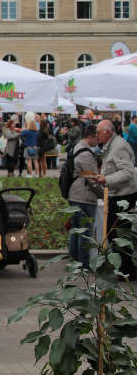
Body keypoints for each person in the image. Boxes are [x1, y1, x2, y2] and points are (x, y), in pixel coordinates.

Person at [95, 119, 137, 278]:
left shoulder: (118, 146)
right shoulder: (113, 144)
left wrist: (106, 179)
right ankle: (125, 268)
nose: (97, 135)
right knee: (115, 234)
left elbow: (127, 172)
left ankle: (126, 270)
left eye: (99, 132)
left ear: (108, 131)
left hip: (124, 195)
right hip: (118, 194)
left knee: (119, 234)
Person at [67, 125, 99, 268]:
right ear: (90, 137)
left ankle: (74, 259)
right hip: (83, 196)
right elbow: (92, 177)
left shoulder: (77, 147)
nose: (98, 141)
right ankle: (83, 264)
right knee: (85, 231)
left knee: (76, 228)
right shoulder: (85, 153)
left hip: (75, 194)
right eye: (97, 138)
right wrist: (104, 192)